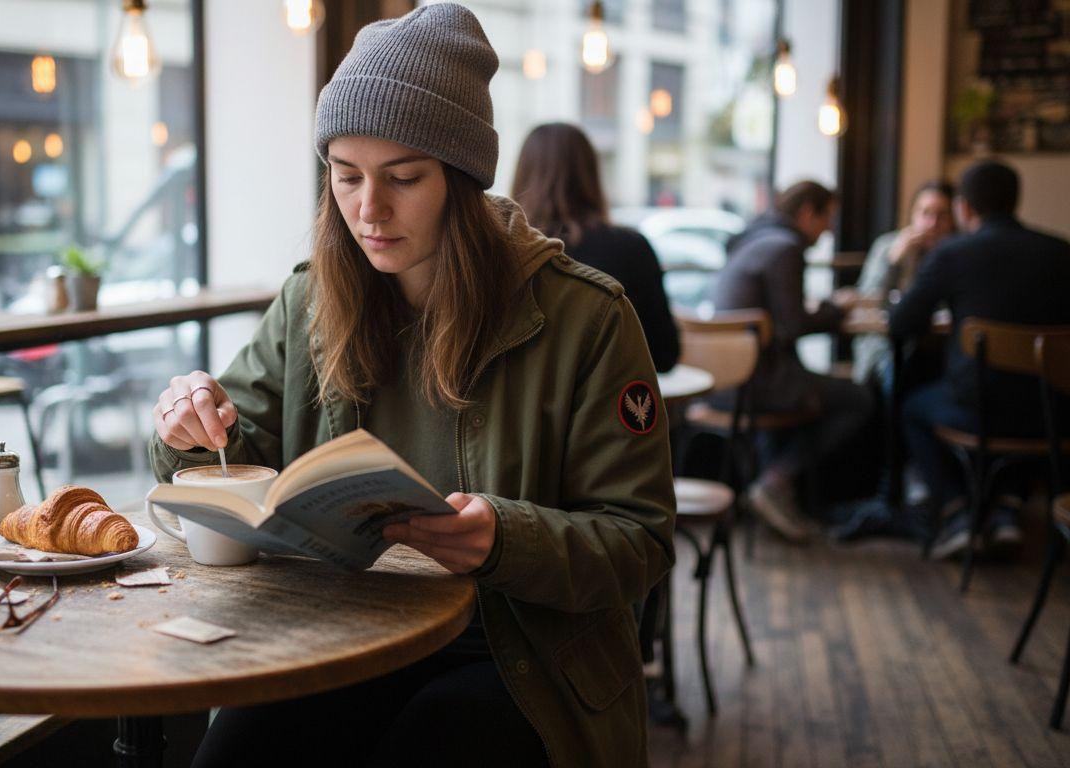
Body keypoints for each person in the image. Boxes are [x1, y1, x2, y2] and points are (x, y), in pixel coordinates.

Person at [148, 5, 675, 766]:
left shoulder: (586, 317)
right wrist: (185, 426)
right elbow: (231, 452)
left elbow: (641, 541)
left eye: (403, 177)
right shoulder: (312, 300)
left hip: (517, 655)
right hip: (344, 637)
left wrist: (504, 538)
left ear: (461, 179)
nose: (368, 210)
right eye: (345, 175)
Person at [891, 159, 1070, 560]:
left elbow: (901, 324)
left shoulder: (954, 254)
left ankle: (959, 510)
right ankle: (1006, 506)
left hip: (978, 410)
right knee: (1024, 396)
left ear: (964, 208)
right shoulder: (1062, 253)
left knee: (913, 407)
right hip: (1055, 410)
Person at [711, 181, 873, 542]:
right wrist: (836, 308)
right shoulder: (786, 247)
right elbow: (795, 324)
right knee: (858, 398)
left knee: (816, 391)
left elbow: (781, 320)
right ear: (806, 212)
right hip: (759, 382)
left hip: (727, 379)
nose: (829, 229)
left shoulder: (753, 239)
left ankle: (772, 489)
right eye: (827, 217)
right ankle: (776, 481)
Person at [510, 122, 680, 372]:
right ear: (591, 176)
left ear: (523, 174)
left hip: (521, 409)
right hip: (611, 405)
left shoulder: (503, 251)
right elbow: (665, 354)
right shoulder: (632, 247)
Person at [852, 180, 956, 387]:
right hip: (885, 345)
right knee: (897, 375)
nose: (932, 223)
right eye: (925, 213)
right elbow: (868, 300)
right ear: (912, 215)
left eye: (941, 215)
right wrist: (894, 261)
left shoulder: (956, 252)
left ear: (953, 220)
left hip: (941, 346)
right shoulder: (888, 246)